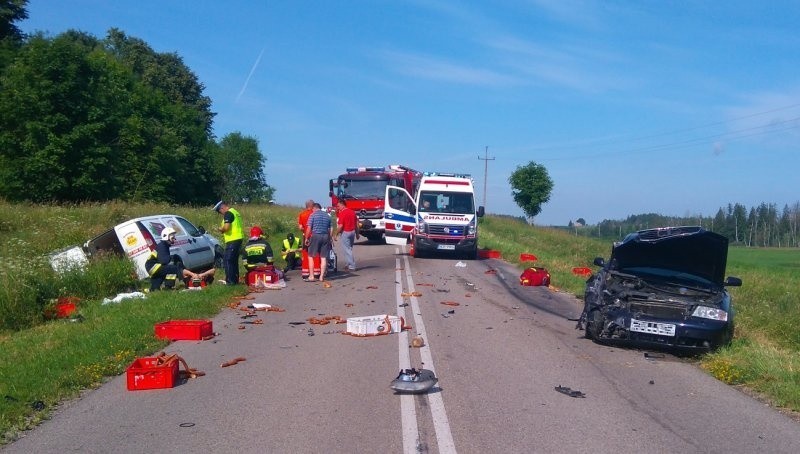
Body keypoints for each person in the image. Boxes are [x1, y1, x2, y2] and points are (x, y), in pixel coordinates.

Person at [145, 227, 213, 291]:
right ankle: (184, 281)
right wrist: (190, 273)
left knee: (156, 286)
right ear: (167, 237)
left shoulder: (164, 245)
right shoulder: (162, 246)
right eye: (173, 237)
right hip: (153, 267)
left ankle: (154, 289)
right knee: (174, 267)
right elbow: (164, 261)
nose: (174, 239)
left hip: (153, 266)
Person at [213, 200, 244, 285]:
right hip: (238, 239)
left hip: (232, 240)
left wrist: (220, 229)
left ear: (222, 207)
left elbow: (226, 228)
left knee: (227, 260)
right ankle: (235, 280)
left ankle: (230, 282)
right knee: (233, 261)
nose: (221, 213)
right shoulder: (235, 212)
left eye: (220, 211)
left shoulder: (228, 213)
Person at [304, 202, 334, 282]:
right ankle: (321, 276)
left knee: (311, 256)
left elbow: (309, 228)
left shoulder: (312, 215)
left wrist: (306, 238)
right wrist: (330, 238)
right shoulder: (328, 216)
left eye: (312, 209)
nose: (312, 211)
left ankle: (311, 276)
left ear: (314, 208)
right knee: (323, 257)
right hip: (325, 236)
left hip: (315, 235)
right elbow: (331, 229)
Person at [297, 199, 320, 280]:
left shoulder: (302, 214)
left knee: (306, 254)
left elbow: (300, 227)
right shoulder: (315, 214)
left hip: (306, 236)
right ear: (313, 205)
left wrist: (304, 230)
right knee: (316, 254)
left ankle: (305, 273)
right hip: (316, 235)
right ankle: (317, 272)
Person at [335, 199, 359, 271]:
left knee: (347, 250)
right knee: (349, 249)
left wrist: (336, 234)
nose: (337, 207)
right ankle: (348, 264)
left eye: (338, 206)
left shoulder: (342, 213)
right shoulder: (352, 212)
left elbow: (340, 226)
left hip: (346, 232)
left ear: (342, 204)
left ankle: (352, 266)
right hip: (352, 232)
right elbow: (356, 224)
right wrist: (357, 234)